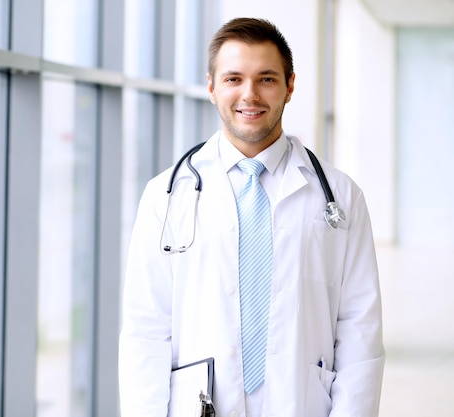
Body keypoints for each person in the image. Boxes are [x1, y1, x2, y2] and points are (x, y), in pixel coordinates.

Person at [118, 17, 385, 417]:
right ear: (211, 87)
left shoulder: (341, 196)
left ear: (290, 86)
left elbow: (360, 329)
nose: (250, 94)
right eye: (233, 79)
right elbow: (146, 330)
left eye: (266, 79)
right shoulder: (166, 196)